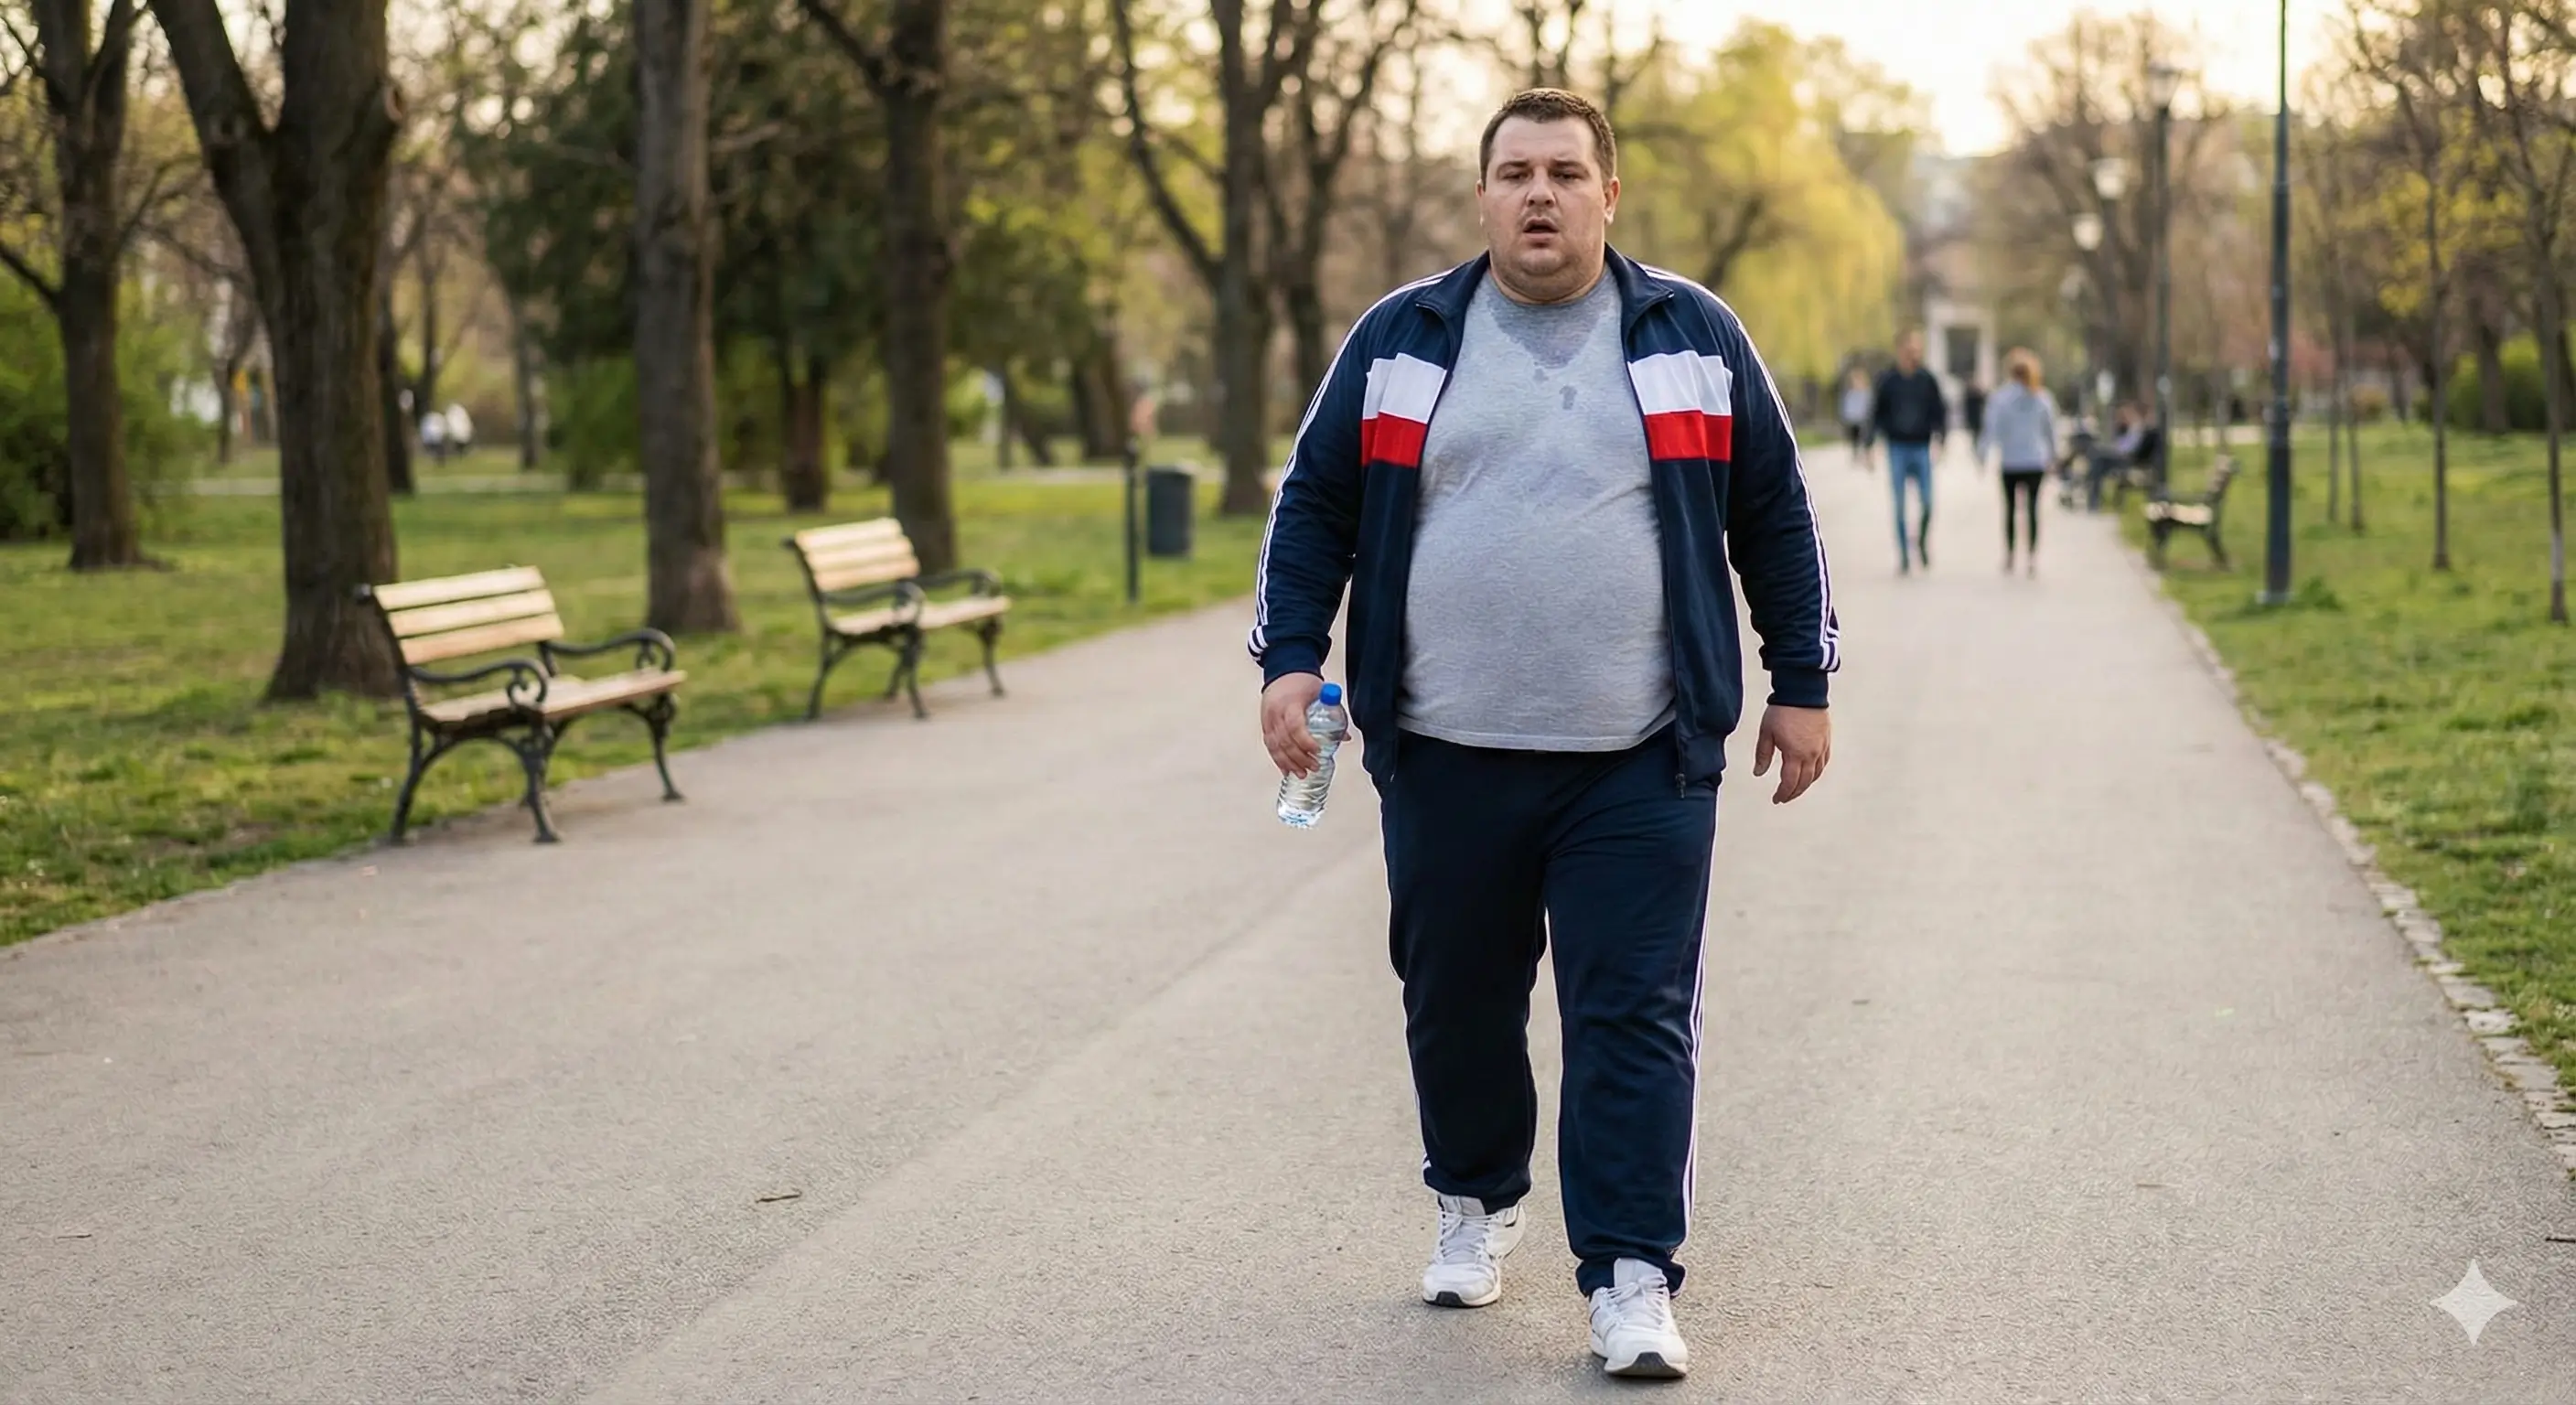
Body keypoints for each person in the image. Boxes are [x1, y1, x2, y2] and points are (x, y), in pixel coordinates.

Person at [1251, 87, 1838, 1382]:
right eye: (1515, 171)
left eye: (1566, 172)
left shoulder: (1691, 335)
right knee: (1456, 1004)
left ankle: (1631, 1277)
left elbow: (1776, 519)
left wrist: (1802, 677)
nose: (1539, 194)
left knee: (1631, 1015)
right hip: (1448, 752)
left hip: (1642, 755)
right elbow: (1314, 511)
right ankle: (1475, 1195)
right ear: (1482, 195)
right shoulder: (1405, 340)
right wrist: (1291, 661)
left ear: (1607, 194)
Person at [1871, 329, 1948, 573]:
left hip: (1921, 447)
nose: (1914, 353)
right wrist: (1869, 444)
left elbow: (1939, 411)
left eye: (1918, 348)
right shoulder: (1888, 380)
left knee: (1927, 502)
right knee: (1899, 506)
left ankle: (1922, 542)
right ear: (1901, 349)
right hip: (1897, 448)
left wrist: (1941, 438)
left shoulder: (1927, 379)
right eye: (1910, 348)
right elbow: (1877, 413)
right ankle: (1904, 555)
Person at [1980, 349, 2058, 575]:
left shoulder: (2001, 398)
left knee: (2011, 510)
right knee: (2033, 510)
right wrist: (2054, 456)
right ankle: (2032, 556)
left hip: (2011, 462)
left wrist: (1983, 454)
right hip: (2035, 461)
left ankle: (2010, 555)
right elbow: (2050, 430)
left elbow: (1991, 429)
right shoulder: (2042, 397)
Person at [1838, 366, 1873, 467]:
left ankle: (1867, 455)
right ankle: (1856, 454)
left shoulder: (1866, 393)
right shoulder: (1850, 393)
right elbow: (1846, 405)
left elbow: (1870, 405)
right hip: (1853, 418)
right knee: (1855, 438)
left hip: (1864, 418)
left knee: (1866, 437)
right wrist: (1846, 416)